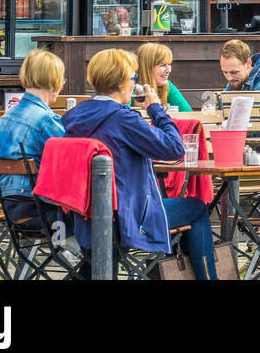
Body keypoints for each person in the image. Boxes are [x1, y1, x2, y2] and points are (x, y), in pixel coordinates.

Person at [63, 48, 217, 279]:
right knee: (196, 208)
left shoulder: (74, 115)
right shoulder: (123, 118)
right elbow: (175, 149)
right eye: (133, 78)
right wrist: (156, 109)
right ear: (123, 82)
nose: (134, 83)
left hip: (83, 218)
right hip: (129, 218)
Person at [0, 50, 66, 211]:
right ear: (55, 81)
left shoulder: (7, 116)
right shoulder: (47, 120)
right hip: (39, 206)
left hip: (8, 204)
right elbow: (70, 160)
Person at [135, 42, 191, 112]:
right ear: (146, 68)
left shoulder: (167, 86)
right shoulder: (130, 90)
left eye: (169, 64)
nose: (169, 70)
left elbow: (187, 113)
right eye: (163, 65)